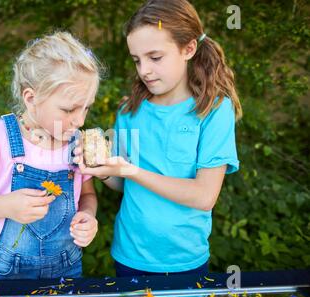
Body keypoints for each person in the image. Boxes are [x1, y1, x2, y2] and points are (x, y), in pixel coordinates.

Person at [76, 0, 242, 277]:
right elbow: (121, 182)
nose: (144, 70)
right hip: (129, 254)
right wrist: (102, 170)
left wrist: (131, 170)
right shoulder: (129, 110)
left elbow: (204, 196)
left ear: (188, 48)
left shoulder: (213, 110)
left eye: (155, 57)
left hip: (184, 259)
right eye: (137, 60)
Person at [0, 31, 103, 280]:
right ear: (31, 98)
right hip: (8, 268)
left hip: (66, 264)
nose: (80, 120)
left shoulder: (77, 143)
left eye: (87, 107)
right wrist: (5, 205)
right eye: (69, 109)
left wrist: (88, 216)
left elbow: (88, 195)